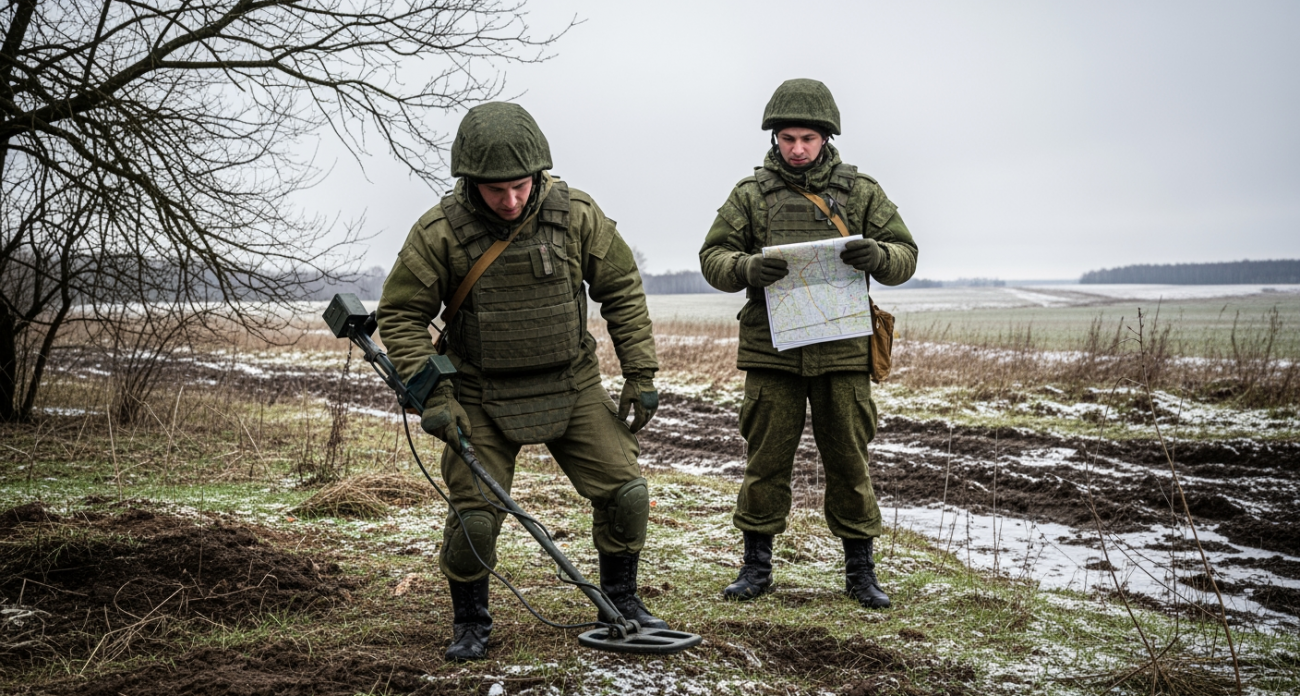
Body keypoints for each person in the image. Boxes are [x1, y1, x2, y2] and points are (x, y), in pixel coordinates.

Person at [377, 102, 665, 661]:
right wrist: (434, 395)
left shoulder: (576, 214)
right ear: (469, 181)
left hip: (571, 383)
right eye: (495, 190)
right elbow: (401, 316)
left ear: (538, 174)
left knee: (627, 494)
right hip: (479, 394)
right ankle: (470, 622)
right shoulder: (438, 233)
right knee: (475, 522)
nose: (510, 201)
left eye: (520, 186)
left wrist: (640, 371)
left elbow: (623, 290)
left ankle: (622, 600)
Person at [698, 79, 918, 609]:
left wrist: (878, 258)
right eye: (787, 138)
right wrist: (748, 266)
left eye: (808, 139)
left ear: (826, 138)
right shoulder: (749, 195)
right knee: (765, 460)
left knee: (849, 459)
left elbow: (905, 254)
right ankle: (755, 568)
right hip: (771, 352)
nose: (797, 148)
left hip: (843, 349)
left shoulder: (860, 192)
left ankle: (860, 574)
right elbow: (713, 259)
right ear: (774, 138)